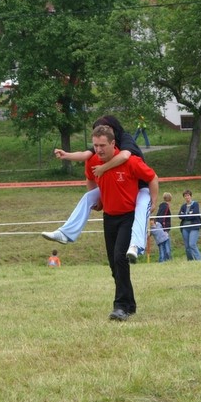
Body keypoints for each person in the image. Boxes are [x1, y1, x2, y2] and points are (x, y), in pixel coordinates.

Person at [42, 115, 150, 264]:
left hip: (139, 186)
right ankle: (65, 233)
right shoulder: (100, 144)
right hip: (119, 187)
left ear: (113, 130)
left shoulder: (125, 139)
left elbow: (125, 156)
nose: (98, 146)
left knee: (141, 209)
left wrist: (103, 168)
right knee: (88, 197)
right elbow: (85, 155)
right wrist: (66, 155)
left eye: (105, 129)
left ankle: (135, 246)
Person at [85, 125, 159, 321]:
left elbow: (152, 178)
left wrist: (153, 201)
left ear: (112, 143)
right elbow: (90, 179)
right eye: (95, 145)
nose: (98, 150)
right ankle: (129, 304)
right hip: (109, 217)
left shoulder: (130, 162)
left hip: (128, 217)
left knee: (120, 258)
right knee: (113, 265)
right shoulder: (94, 161)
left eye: (102, 145)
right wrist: (97, 202)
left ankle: (120, 307)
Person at [178, 190, 201, 261]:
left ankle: (199, 260)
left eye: (188, 195)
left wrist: (185, 215)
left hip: (194, 227)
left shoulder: (195, 204)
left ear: (191, 196)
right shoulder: (183, 206)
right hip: (185, 227)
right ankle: (190, 260)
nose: (187, 197)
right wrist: (189, 214)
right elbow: (180, 215)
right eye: (185, 196)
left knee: (192, 244)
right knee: (187, 246)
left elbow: (195, 214)